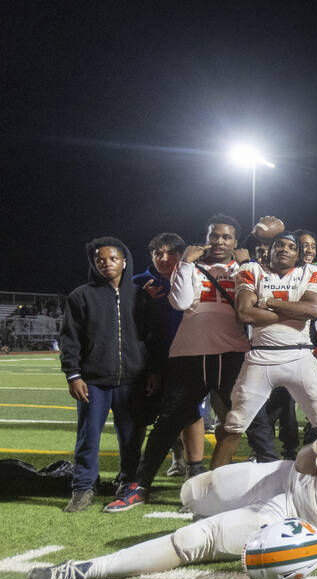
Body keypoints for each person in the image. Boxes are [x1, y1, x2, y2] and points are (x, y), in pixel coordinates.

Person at [25, 398, 317, 579]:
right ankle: (206, 508)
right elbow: (302, 464)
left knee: (195, 540)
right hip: (282, 476)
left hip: (299, 522)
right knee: (194, 493)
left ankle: (80, 571)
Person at [108, 215, 250, 511]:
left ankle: (219, 486)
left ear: (235, 242)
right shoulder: (188, 267)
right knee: (169, 421)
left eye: (226, 237)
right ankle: (141, 483)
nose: (219, 242)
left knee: (240, 422)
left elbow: (255, 304)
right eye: (214, 236)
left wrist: (248, 265)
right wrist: (185, 262)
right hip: (190, 354)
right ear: (206, 237)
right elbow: (181, 302)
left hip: (232, 353)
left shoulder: (246, 270)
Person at [211, 232, 317, 466]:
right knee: (234, 425)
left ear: (298, 254)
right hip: (260, 356)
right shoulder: (251, 270)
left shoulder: (311, 271)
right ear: (270, 249)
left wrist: (269, 303)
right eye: (279, 245)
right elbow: (245, 313)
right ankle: (204, 493)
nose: (284, 249)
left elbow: (312, 310)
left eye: (290, 246)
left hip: (300, 355)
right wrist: (291, 312)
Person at [58, 237, 152, 512]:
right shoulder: (81, 296)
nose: (107, 263)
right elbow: (70, 338)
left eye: (113, 258)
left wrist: (153, 371)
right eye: (101, 259)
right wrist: (73, 375)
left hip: (132, 380)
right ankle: (83, 488)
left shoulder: (140, 294)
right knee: (88, 437)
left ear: (124, 261)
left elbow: (152, 337)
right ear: (94, 264)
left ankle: (128, 482)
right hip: (93, 381)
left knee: (132, 438)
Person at [133, 232, 206, 478]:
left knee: (189, 412)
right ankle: (141, 467)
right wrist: (142, 298)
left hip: (187, 358)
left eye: (171, 253)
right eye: (157, 253)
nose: (163, 258)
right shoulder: (138, 282)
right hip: (148, 361)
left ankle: (194, 468)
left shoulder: (194, 276)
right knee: (147, 414)